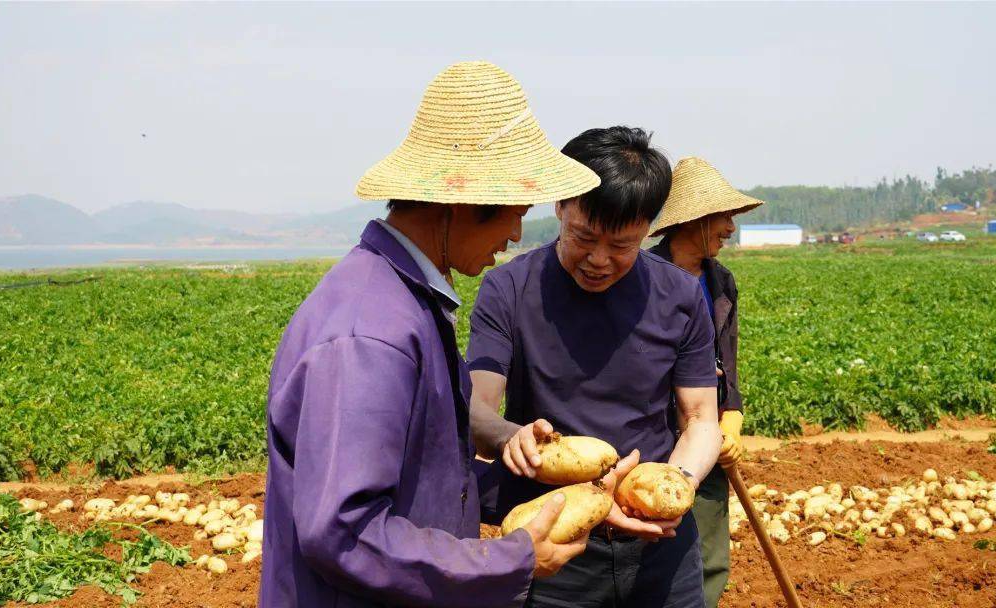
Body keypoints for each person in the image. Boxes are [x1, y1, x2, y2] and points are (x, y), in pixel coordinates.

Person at [259, 61, 633, 607]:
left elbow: (426, 487)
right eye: (513, 213)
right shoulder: (371, 332)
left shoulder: (405, 301)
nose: (512, 235)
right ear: (460, 202)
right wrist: (513, 559)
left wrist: (586, 495)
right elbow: (346, 532)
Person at [468, 127, 723, 608]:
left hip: (660, 548)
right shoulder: (508, 290)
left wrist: (677, 485)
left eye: (623, 245)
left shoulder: (682, 297)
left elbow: (699, 420)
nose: (599, 260)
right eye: (583, 237)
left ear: (648, 228)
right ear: (560, 206)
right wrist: (509, 436)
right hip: (558, 544)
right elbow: (477, 408)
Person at [647, 156, 765, 607]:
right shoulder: (644, 278)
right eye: (724, 217)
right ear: (694, 221)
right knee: (659, 549)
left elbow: (727, 364)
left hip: (709, 435)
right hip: (659, 436)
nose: (731, 228)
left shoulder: (721, 282)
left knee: (711, 558)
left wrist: (730, 419)